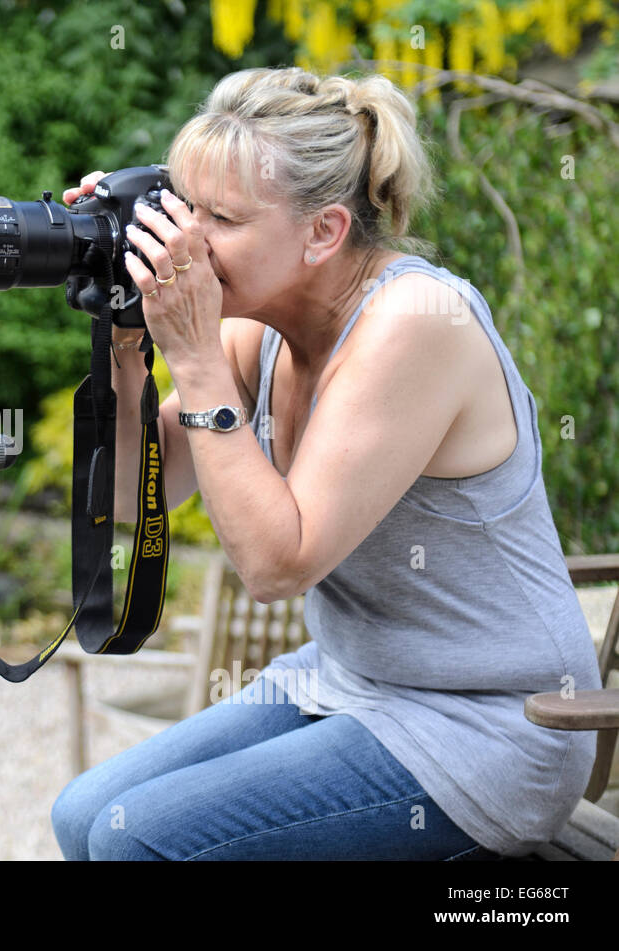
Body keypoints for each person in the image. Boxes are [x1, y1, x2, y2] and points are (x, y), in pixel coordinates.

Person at [50, 66, 600, 860]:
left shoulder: (416, 320)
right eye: (183, 208)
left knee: (136, 844)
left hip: (490, 728)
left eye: (223, 219)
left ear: (324, 232)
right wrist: (128, 347)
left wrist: (197, 360)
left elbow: (279, 565)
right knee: (83, 815)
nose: (187, 241)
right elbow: (150, 492)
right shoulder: (260, 320)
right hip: (348, 680)